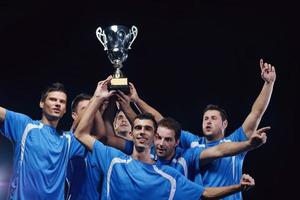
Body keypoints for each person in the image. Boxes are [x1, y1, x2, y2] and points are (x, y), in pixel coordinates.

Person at [74, 77, 255, 200]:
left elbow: (206, 192)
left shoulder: (171, 176)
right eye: (137, 128)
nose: (142, 132)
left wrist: (238, 186)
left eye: (147, 130)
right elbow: (81, 134)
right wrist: (98, 98)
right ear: (133, 133)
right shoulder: (112, 159)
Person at [0, 82, 85, 200]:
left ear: (65, 110)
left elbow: (89, 128)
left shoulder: (68, 141)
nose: (57, 104)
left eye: (62, 102)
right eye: (53, 99)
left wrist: (98, 97)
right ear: (41, 103)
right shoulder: (25, 125)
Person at [154, 117, 269, 184]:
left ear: (224, 123)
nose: (208, 121)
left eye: (213, 118)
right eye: (205, 118)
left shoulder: (234, 140)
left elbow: (256, 114)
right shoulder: (193, 142)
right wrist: (136, 101)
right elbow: (162, 124)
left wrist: (269, 83)